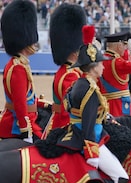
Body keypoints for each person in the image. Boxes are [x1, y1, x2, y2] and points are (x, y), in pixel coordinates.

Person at [56, 25, 129, 183]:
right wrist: (92, 154)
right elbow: (88, 124)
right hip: (90, 140)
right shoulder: (90, 90)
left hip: (74, 133)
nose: (104, 65)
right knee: (122, 177)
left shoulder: (77, 84)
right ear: (93, 66)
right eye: (101, 63)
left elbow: (68, 107)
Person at [0, 0, 43, 142]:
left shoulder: (18, 64)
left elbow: (26, 98)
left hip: (26, 120)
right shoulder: (18, 68)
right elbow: (20, 104)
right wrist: (26, 132)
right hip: (17, 127)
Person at [49, 3, 86, 131]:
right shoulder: (71, 75)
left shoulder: (66, 71)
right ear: (75, 50)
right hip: (66, 129)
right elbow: (71, 111)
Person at [97, 31, 131, 116]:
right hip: (119, 106)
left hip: (105, 105)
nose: (126, 48)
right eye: (124, 45)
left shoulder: (102, 60)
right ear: (119, 45)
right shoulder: (116, 62)